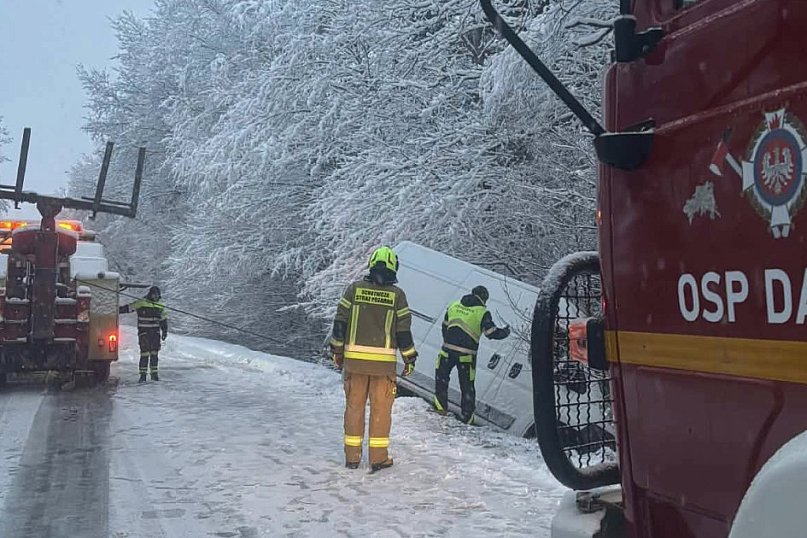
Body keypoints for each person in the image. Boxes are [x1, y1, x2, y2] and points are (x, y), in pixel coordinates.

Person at [329, 246, 418, 472]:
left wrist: (337, 353)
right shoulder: (397, 296)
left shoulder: (354, 290)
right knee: (380, 412)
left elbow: (340, 324)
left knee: (354, 409)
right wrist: (409, 359)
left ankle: (352, 458)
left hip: (354, 365)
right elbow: (403, 333)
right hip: (383, 369)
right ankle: (378, 459)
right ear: (393, 268)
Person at [434, 285, 510, 424]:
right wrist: (506, 332)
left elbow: (445, 326)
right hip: (466, 356)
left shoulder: (454, 305)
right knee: (467, 387)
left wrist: (449, 341)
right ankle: (467, 418)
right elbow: (491, 333)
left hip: (446, 351)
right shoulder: (482, 312)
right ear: (484, 298)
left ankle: (440, 409)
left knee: (441, 380)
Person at [119, 286, 168, 382]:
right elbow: (129, 308)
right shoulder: (141, 302)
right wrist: (116, 310)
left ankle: (154, 374)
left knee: (154, 353)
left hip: (155, 333)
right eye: (154, 294)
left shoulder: (161, 305)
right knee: (144, 353)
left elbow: (164, 320)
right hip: (144, 332)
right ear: (150, 294)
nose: (155, 296)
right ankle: (143, 376)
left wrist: (164, 331)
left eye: (157, 295)